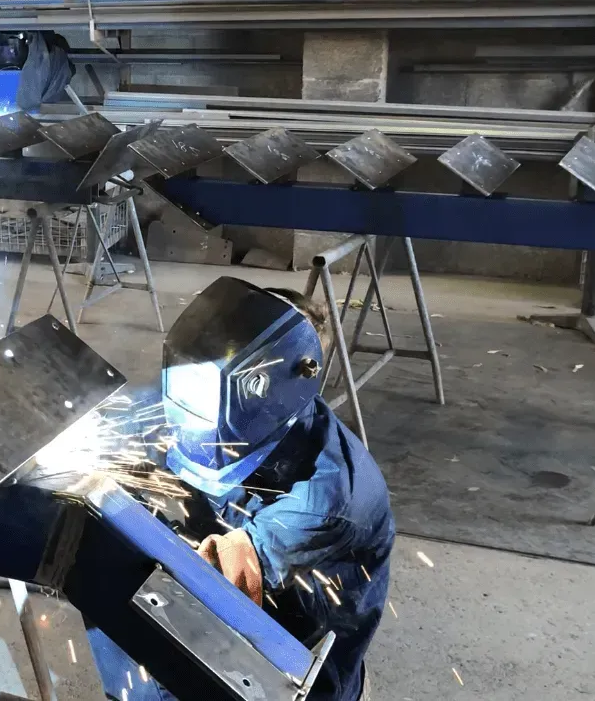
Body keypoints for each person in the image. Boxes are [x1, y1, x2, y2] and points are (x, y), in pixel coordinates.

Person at [89, 277, 394, 701]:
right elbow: (127, 422)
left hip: (291, 677)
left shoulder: (332, 495)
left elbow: (230, 565)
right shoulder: (211, 396)